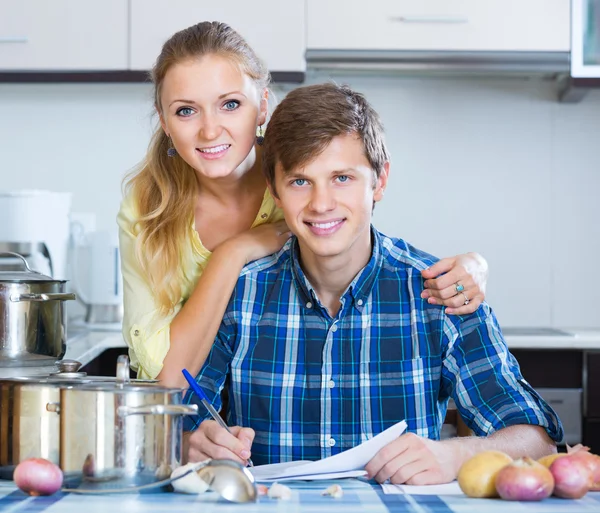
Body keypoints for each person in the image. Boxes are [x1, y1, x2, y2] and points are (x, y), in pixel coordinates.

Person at [183, 82, 563, 485]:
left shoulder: (441, 293)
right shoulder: (240, 295)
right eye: (299, 182)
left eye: (342, 178)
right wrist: (194, 440)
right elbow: (182, 422)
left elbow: (538, 442)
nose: (321, 203)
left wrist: (456, 454)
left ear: (379, 181)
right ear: (275, 191)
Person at [117, 21, 489, 388]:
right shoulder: (147, 207)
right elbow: (164, 376)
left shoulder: (300, 178)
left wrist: (474, 264)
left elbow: (366, 246)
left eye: (230, 104)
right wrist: (233, 252)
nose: (210, 130)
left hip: (284, 395)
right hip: (195, 410)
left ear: (262, 106)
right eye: (186, 110)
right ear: (164, 119)